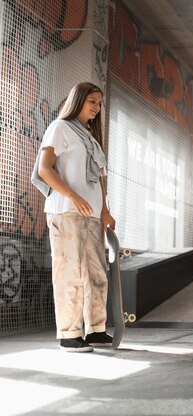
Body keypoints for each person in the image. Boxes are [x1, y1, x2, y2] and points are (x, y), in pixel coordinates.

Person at [34, 82, 115, 352]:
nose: (96, 107)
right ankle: (69, 335)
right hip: (66, 212)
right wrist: (73, 196)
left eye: (99, 103)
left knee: (96, 275)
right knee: (69, 274)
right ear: (78, 99)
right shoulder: (60, 128)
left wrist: (104, 210)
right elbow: (45, 170)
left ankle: (95, 330)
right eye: (92, 101)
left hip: (91, 216)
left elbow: (98, 181)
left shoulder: (90, 136)